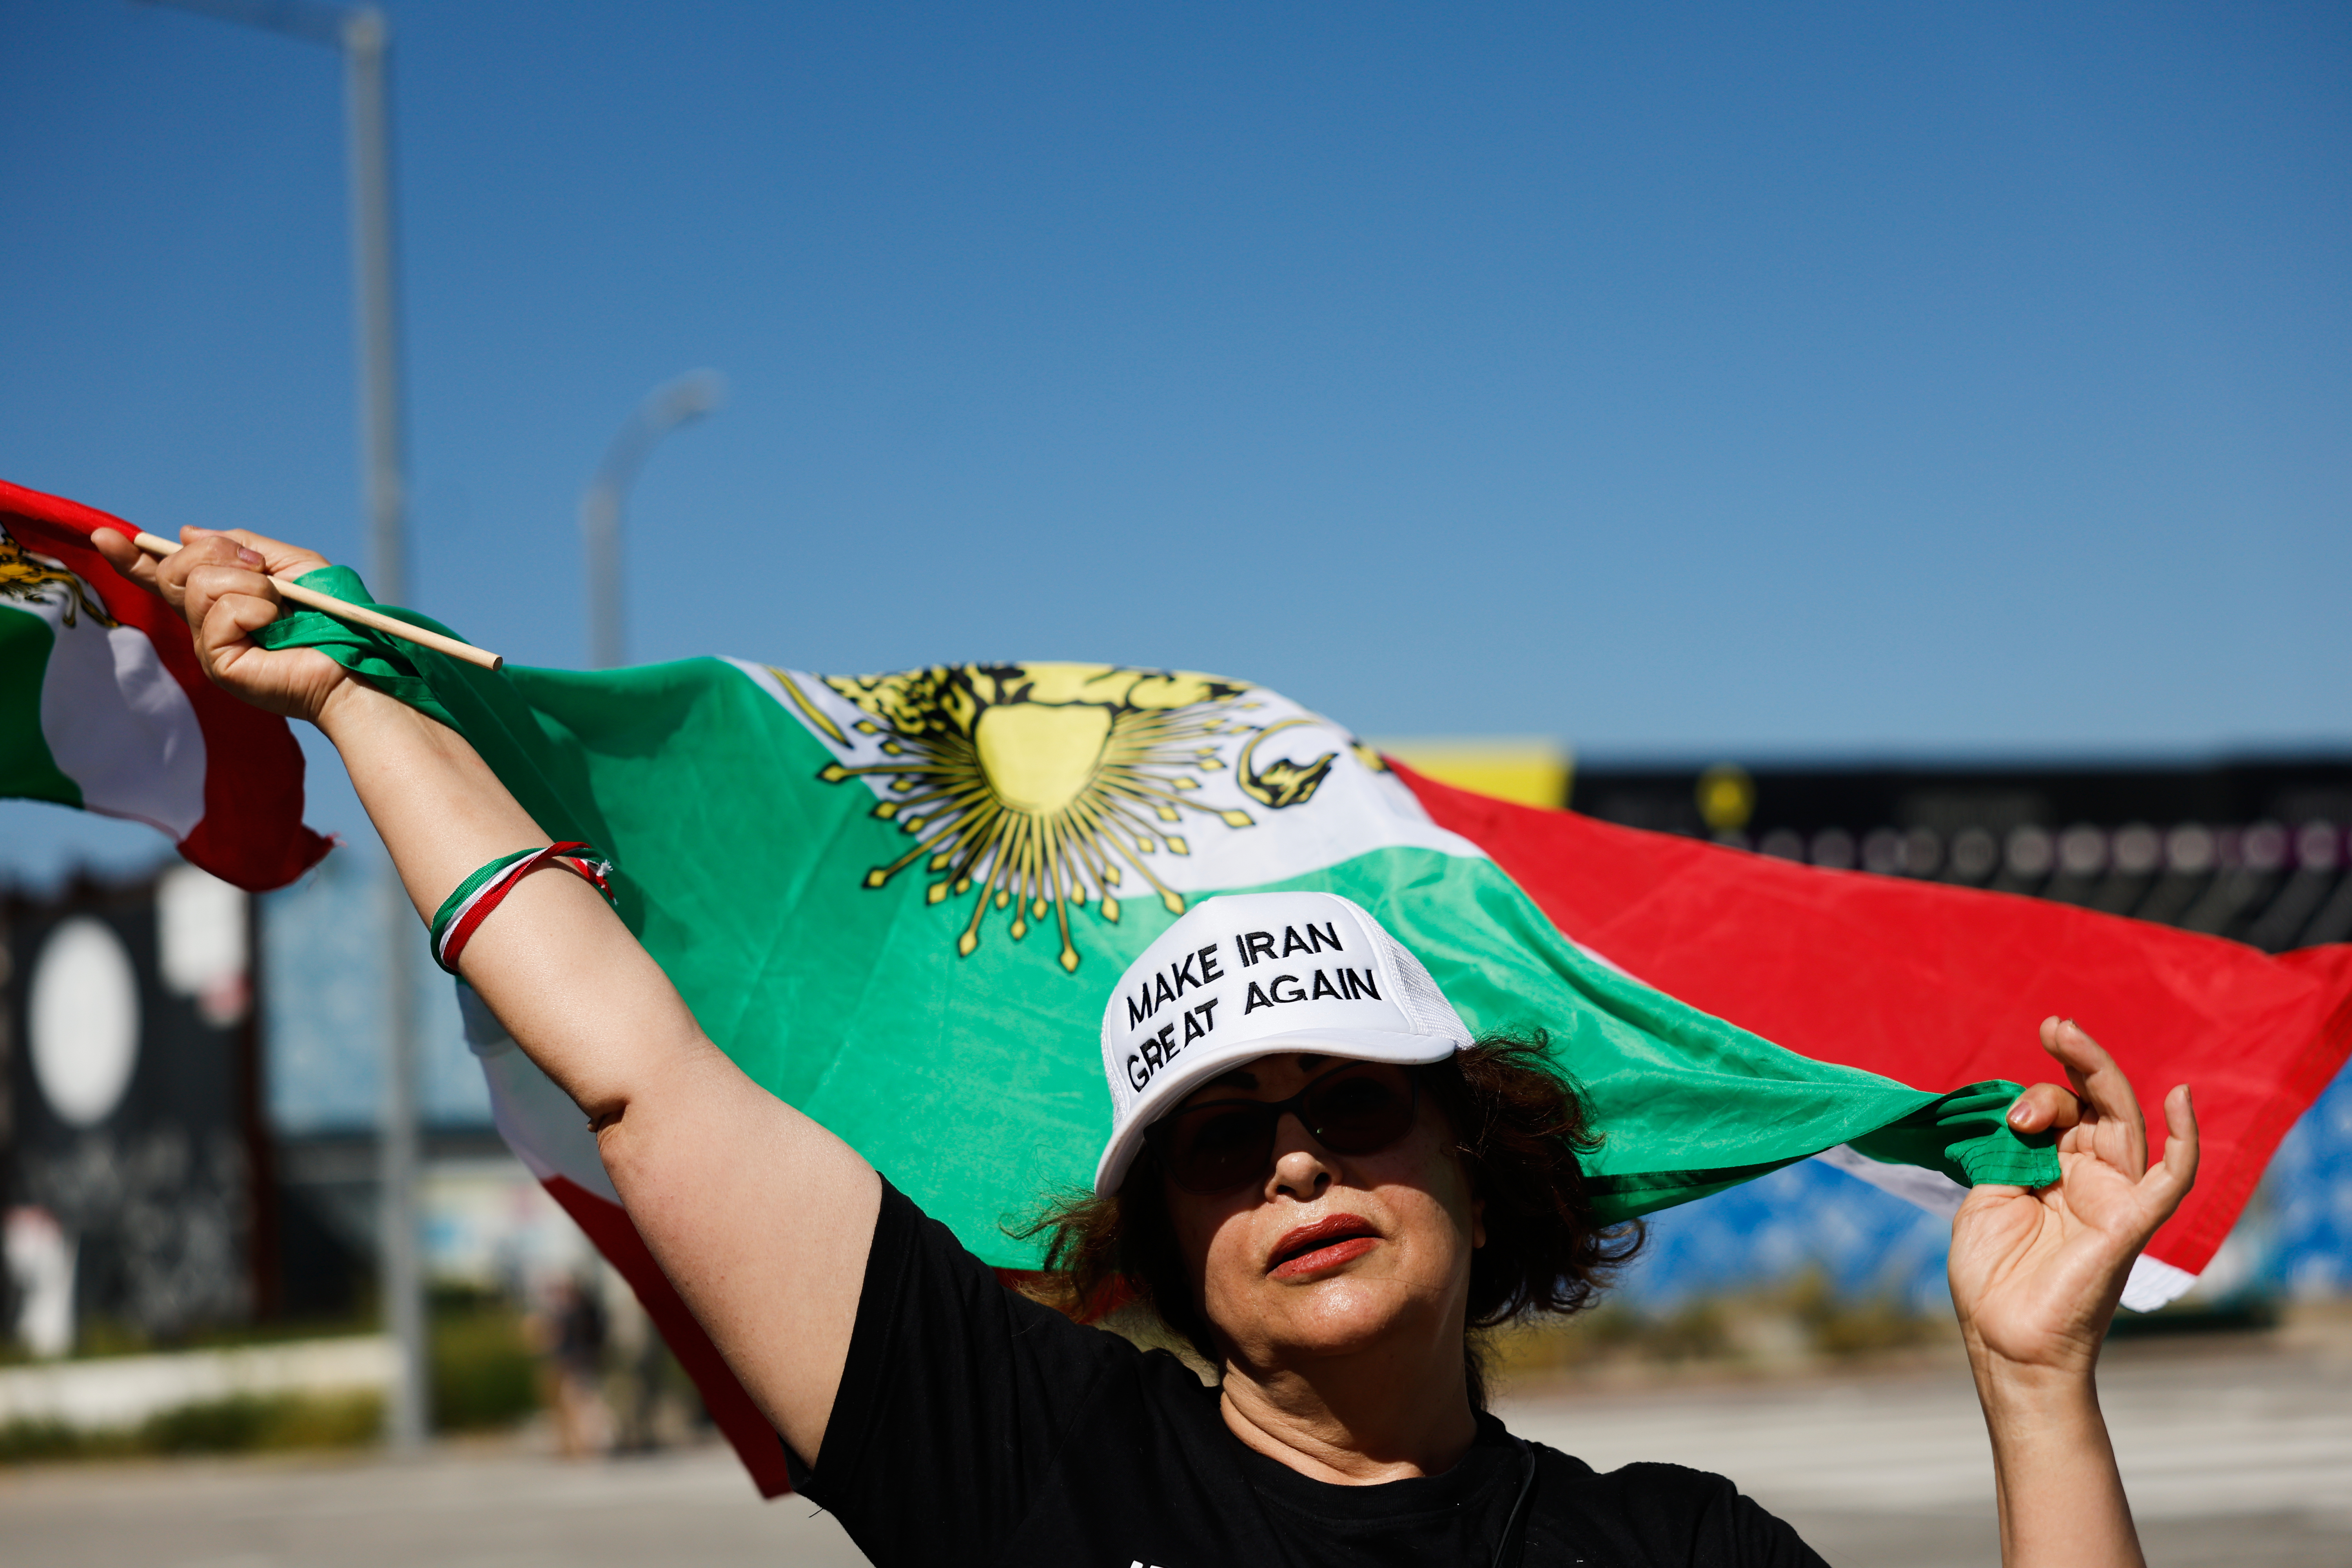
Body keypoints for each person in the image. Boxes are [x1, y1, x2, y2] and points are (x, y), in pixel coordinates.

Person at [98, 524, 2200, 1568]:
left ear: (1479, 1164)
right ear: (1150, 1231)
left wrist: (2035, 1393)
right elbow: (643, 1069)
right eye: (1219, 1137)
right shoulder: (1020, 1460)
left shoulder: (1668, 1550)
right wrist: (359, 703)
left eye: (1350, 1103)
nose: (1292, 1163)